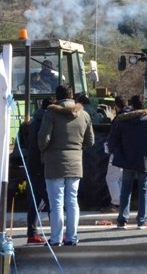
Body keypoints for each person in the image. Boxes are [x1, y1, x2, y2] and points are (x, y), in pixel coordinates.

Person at [37, 84, 94, 246]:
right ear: (72, 96)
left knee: (56, 202)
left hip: (54, 164)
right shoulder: (83, 114)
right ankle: (72, 237)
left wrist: (44, 149)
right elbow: (90, 141)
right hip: (76, 163)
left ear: (57, 97)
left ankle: (55, 239)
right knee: (72, 201)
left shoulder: (51, 113)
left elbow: (43, 140)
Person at [108, 94, 147, 229]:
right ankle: (142, 220)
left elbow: (112, 141)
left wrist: (119, 154)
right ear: (144, 105)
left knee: (125, 190)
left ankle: (122, 219)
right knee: (144, 191)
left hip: (127, 160)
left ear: (131, 105)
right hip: (145, 160)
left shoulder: (123, 120)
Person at [25, 98, 53, 245]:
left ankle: (32, 233)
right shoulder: (44, 121)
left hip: (33, 165)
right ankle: (56, 233)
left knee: (36, 201)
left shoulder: (35, 120)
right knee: (51, 201)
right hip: (42, 165)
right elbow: (44, 143)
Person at [101, 95, 127, 214]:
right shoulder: (130, 117)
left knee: (111, 178)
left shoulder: (118, 119)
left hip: (117, 152)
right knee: (120, 179)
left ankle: (116, 203)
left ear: (116, 107)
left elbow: (114, 137)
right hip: (127, 152)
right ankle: (122, 202)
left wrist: (109, 147)